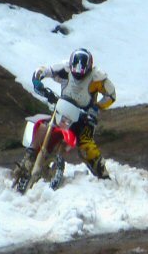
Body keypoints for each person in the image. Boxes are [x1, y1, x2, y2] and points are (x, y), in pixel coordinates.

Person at [32, 48, 115, 180]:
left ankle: (103, 175)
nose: (78, 72)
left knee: (86, 144)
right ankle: (31, 154)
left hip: (84, 116)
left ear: (89, 67)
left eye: (82, 69)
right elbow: (43, 70)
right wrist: (37, 81)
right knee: (45, 126)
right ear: (71, 64)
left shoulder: (97, 77)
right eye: (75, 68)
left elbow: (111, 95)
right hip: (63, 109)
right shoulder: (64, 69)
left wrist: (96, 107)